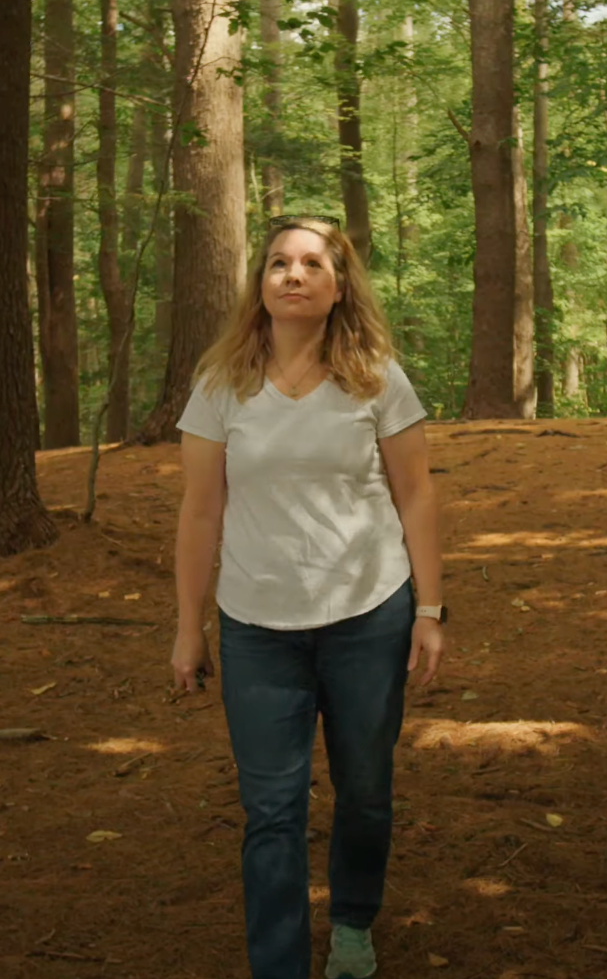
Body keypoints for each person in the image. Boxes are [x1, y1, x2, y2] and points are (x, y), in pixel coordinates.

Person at [172, 215, 445, 979]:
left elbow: (416, 495)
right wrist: (188, 628)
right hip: (258, 630)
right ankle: (281, 963)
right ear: (259, 284)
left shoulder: (377, 375)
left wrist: (429, 610)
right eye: (279, 264)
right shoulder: (221, 382)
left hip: (369, 616)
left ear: (338, 285)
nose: (294, 275)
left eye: (312, 265)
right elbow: (199, 512)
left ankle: (354, 922)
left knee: (364, 789)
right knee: (272, 813)